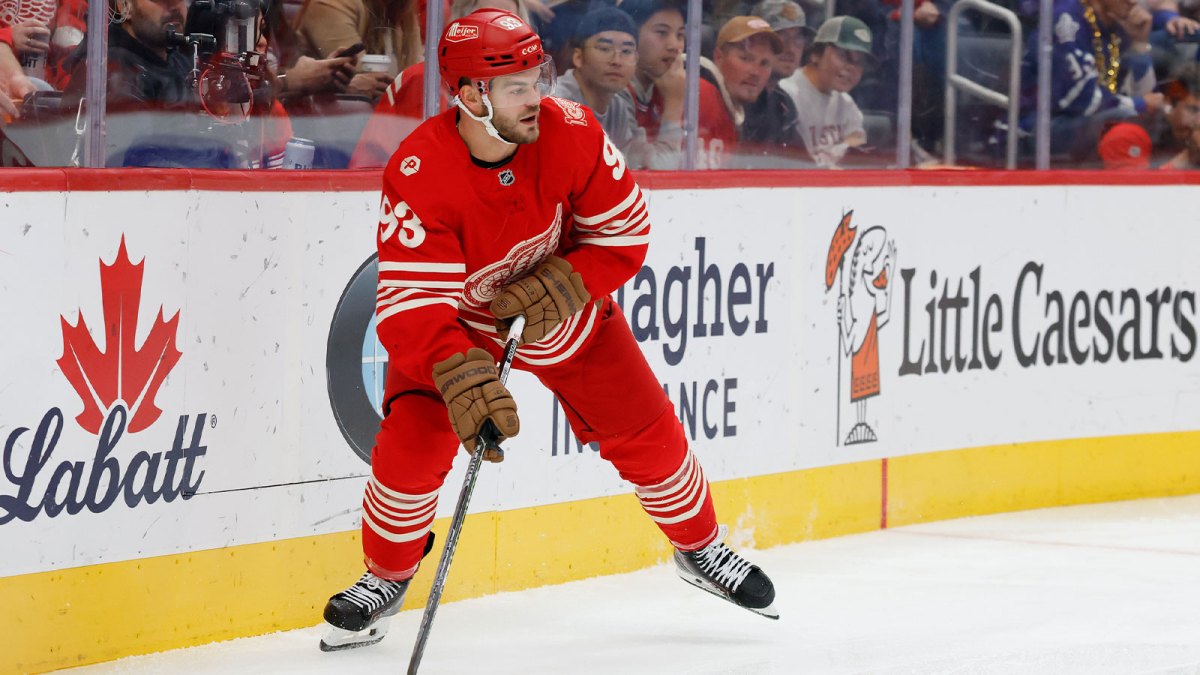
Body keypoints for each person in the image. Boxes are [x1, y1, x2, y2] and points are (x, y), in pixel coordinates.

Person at [319, 7, 778, 652]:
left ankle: (701, 548)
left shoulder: (572, 129)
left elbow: (623, 235)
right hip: (464, 326)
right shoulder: (420, 171)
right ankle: (385, 577)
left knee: (649, 432)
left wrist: (566, 282)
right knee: (410, 451)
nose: (535, 98)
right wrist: (460, 374)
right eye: (516, 88)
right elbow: (412, 308)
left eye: (536, 80)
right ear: (470, 94)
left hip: (565, 315)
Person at [348, 0, 532, 168]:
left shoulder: (529, 89)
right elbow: (384, 167)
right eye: (486, 19)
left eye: (507, 21)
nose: (498, 31)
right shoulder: (422, 81)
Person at [1017, 0, 1165, 164]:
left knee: (1161, 119)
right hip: (1042, 126)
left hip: (1084, 121)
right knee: (1121, 119)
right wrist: (1138, 104)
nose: (1133, 2)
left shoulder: (1114, 29)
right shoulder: (1067, 19)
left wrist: (1139, 45)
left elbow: (1149, 98)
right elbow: (1082, 100)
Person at [618, 0, 737, 168]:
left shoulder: (702, 91)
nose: (675, 46)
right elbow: (652, 175)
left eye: (680, 35)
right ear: (628, 36)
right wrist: (674, 105)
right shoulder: (609, 93)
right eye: (662, 33)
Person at [554, 5, 677, 168]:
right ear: (578, 57)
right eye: (605, 49)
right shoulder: (557, 102)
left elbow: (648, 165)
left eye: (626, 51)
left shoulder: (616, 106)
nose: (616, 60)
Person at [782, 15, 874, 167]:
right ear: (816, 54)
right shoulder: (788, 94)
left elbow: (858, 144)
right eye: (843, 55)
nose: (851, 67)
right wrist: (845, 146)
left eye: (860, 62)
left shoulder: (845, 102)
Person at [295, 0, 420, 101]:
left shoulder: (404, 10)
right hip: (326, 120)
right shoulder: (329, 4)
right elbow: (363, 77)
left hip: (380, 117)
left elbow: (417, 77)